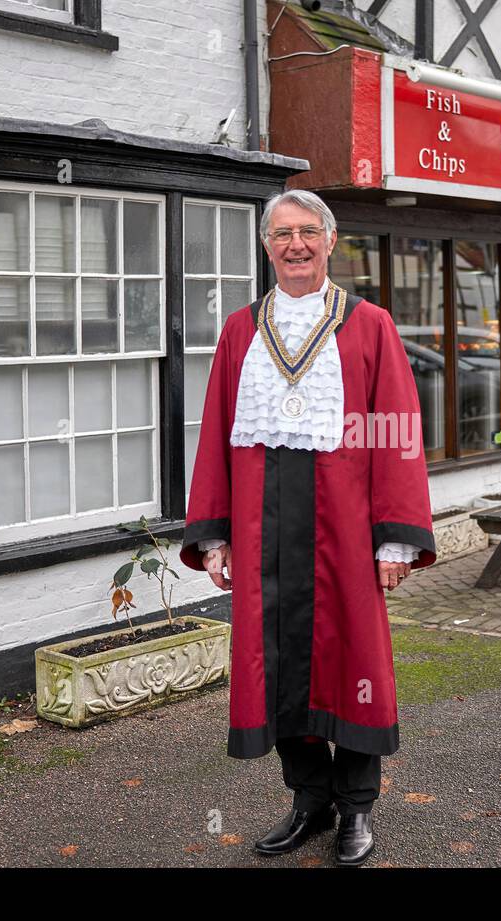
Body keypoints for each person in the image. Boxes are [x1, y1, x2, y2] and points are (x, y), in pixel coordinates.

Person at [178, 188, 435, 866]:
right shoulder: (240, 330)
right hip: (264, 537)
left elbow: (398, 433)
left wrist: (396, 537)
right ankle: (308, 801)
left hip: (344, 536)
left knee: (351, 666)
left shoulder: (370, 324)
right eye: (282, 234)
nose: (295, 244)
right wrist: (215, 535)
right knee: (278, 670)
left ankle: (356, 811)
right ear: (267, 247)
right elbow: (215, 439)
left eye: (307, 232)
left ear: (330, 240)